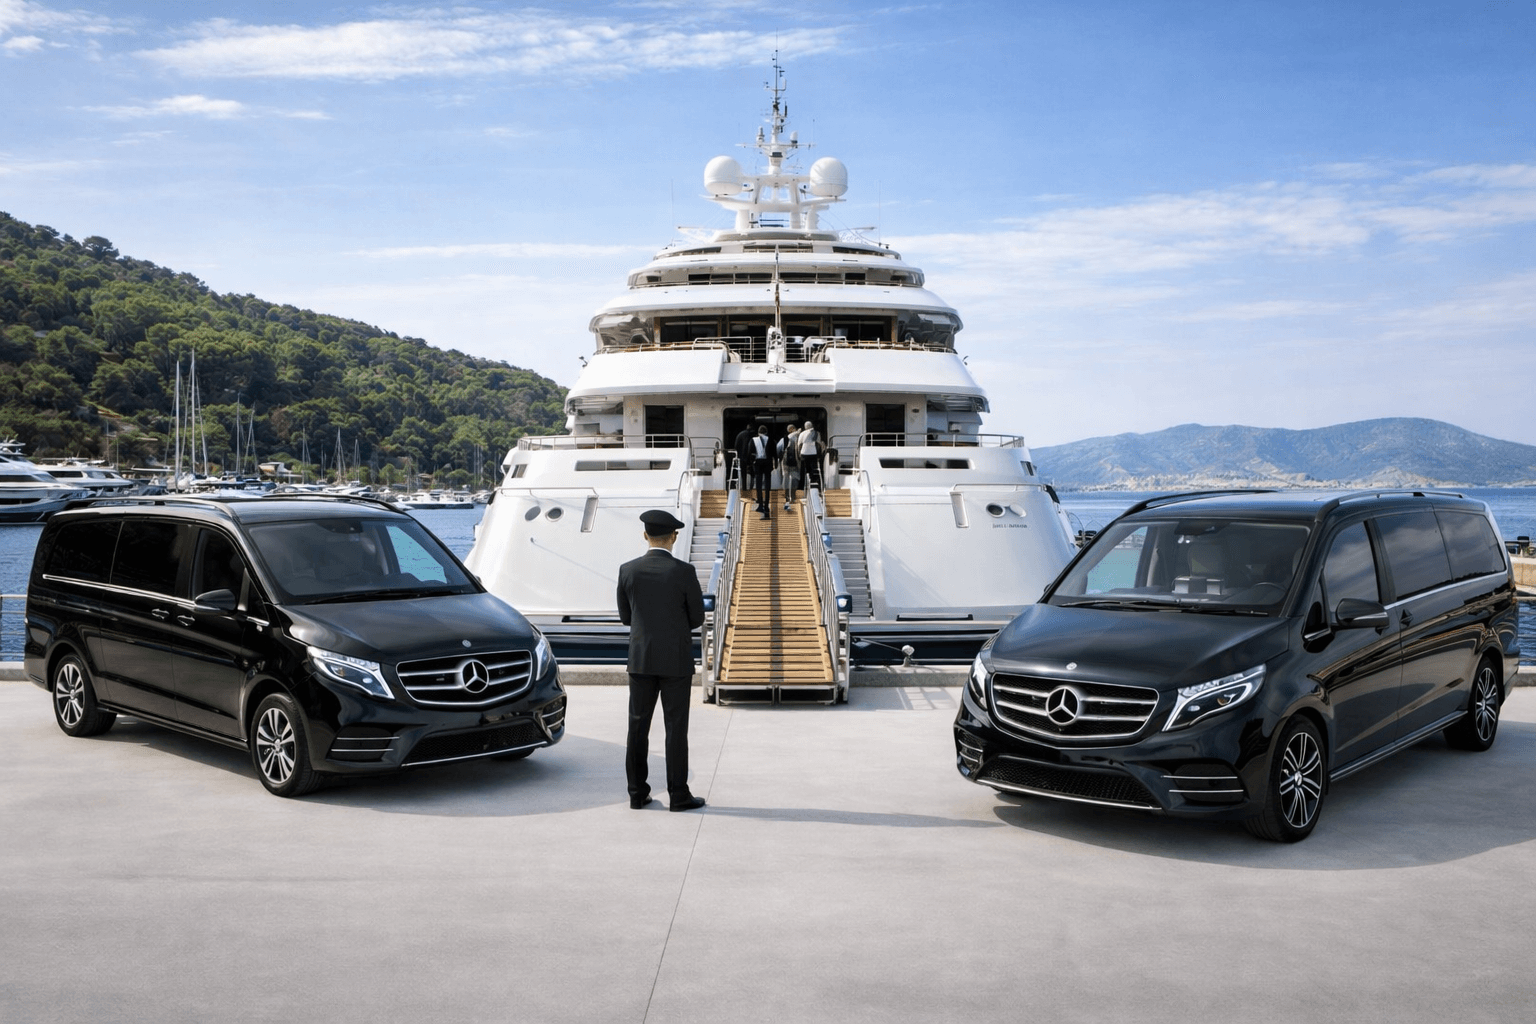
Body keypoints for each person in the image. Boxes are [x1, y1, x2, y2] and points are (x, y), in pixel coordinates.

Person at [616, 510, 708, 812]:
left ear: (646, 536)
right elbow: (697, 618)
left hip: (641, 659)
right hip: (676, 661)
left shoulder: (627, 570)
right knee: (676, 729)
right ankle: (678, 795)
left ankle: (636, 793)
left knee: (637, 727)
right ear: (674, 537)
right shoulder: (684, 572)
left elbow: (626, 618)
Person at [751, 425, 772, 517]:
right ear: (766, 432)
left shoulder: (753, 440)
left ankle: (760, 504)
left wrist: (750, 463)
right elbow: (774, 452)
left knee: (758, 484)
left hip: (758, 462)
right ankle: (766, 505)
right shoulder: (770, 439)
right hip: (767, 463)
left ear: (758, 432)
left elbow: (750, 452)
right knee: (767, 485)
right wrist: (775, 463)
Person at [798, 420, 822, 494]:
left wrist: (799, 454)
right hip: (813, 453)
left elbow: (799, 445)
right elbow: (819, 444)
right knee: (813, 470)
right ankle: (813, 486)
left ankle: (801, 487)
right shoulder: (816, 433)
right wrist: (819, 455)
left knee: (803, 471)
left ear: (805, 427)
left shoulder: (802, 434)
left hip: (804, 453)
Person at [779, 425, 800, 508]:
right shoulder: (799, 436)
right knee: (795, 477)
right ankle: (793, 496)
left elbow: (779, 448)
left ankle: (787, 496)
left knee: (786, 478)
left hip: (785, 461)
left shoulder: (784, 439)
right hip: (796, 461)